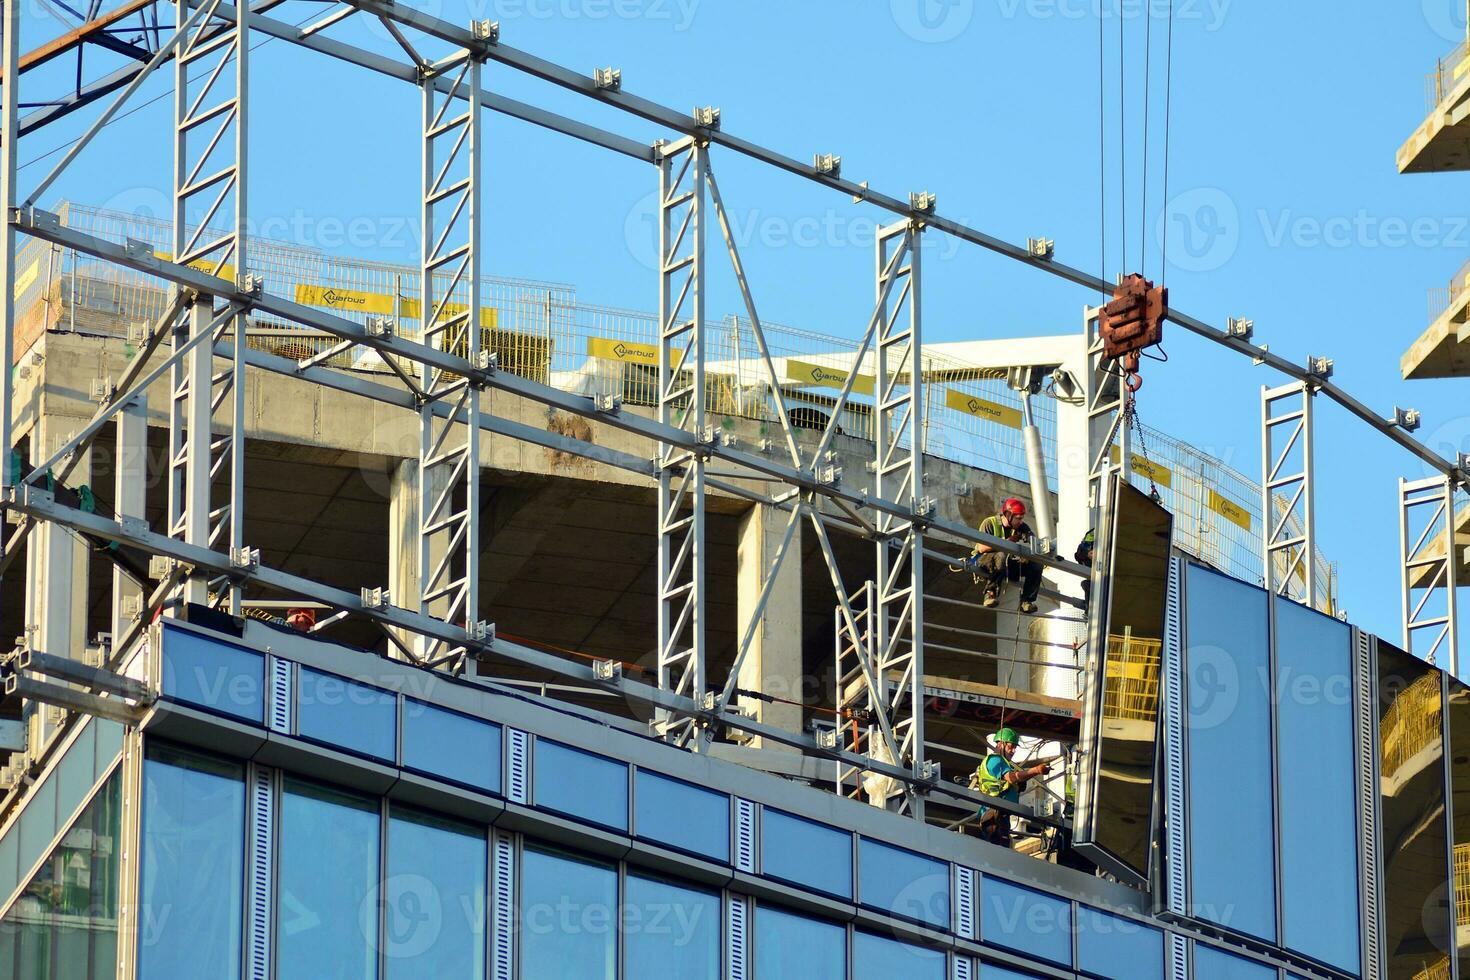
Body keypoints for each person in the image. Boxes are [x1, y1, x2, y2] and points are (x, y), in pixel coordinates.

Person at [973, 727, 1051, 847]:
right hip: (994, 813)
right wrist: (1036, 770)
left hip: (999, 813)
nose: (1013, 750)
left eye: (1015, 747)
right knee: (999, 846)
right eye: (1011, 746)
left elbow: (1016, 779)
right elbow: (1012, 778)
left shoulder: (1004, 763)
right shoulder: (996, 760)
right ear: (1001, 744)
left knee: (1002, 845)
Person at [973, 498, 1043, 613]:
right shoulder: (990, 523)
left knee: (1036, 564)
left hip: (1005, 564)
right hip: (985, 559)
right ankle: (990, 593)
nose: (1020, 522)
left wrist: (1032, 541)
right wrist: (1007, 542)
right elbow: (981, 548)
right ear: (1008, 514)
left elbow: (1033, 540)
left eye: (1022, 518)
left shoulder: (1021, 527)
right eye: (1018, 518)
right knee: (1001, 555)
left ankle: (1026, 601)